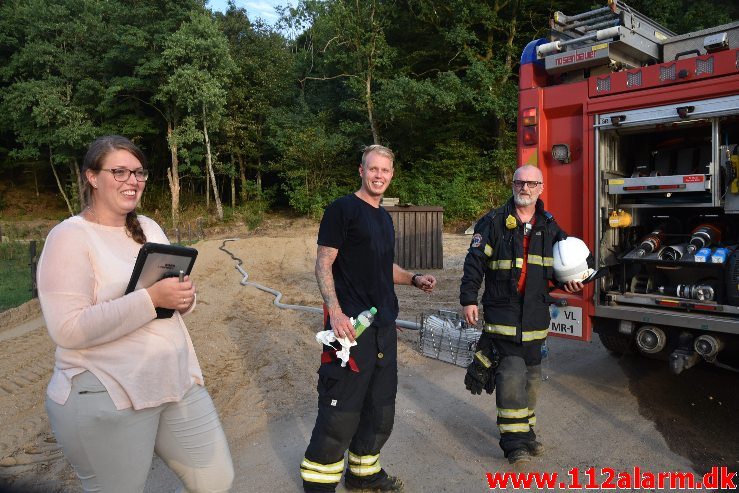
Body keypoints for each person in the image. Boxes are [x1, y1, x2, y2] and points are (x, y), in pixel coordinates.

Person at [37, 135, 234, 493]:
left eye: (139, 172)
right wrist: (150, 298)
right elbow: (67, 329)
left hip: (174, 383)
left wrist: (185, 298)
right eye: (120, 171)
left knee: (217, 481)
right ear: (92, 177)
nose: (133, 180)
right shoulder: (69, 237)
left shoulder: (147, 227)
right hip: (106, 393)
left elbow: (166, 298)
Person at [300, 145, 437, 492]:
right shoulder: (342, 209)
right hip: (351, 329)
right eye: (373, 169)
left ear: (392, 175)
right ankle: (318, 483)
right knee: (341, 408)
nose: (379, 176)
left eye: (385, 171)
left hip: (382, 327)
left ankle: (363, 474)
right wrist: (335, 312)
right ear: (360, 171)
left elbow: (382, 267)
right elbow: (323, 263)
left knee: (379, 406)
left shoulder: (384, 219)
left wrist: (414, 279)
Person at [459, 164, 583, 465]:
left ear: (541, 188)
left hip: (535, 317)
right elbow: (474, 263)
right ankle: (514, 443)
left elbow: (565, 265)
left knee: (532, 378)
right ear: (512, 185)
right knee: (511, 374)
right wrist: (468, 299)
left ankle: (526, 433)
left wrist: (574, 281)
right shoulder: (492, 222)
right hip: (504, 312)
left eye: (531, 183)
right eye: (519, 183)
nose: (524, 188)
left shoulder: (550, 226)